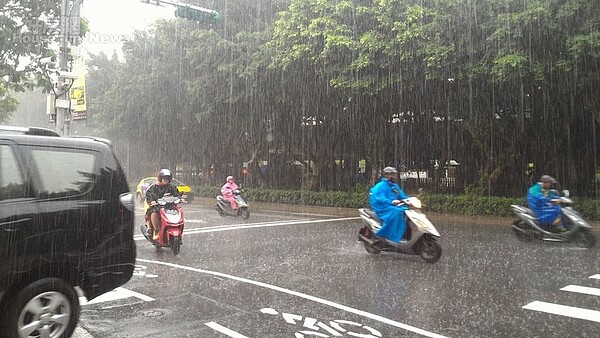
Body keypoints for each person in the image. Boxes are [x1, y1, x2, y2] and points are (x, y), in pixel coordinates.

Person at [369, 166, 410, 242]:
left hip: (394, 206)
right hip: (383, 207)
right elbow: (379, 198)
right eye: (392, 174)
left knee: (408, 211)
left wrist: (409, 199)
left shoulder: (394, 186)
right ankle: (388, 235)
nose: (394, 176)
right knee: (398, 212)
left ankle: (404, 233)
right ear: (387, 175)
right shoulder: (380, 186)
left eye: (394, 174)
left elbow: (402, 196)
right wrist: (390, 201)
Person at [146, 168, 180, 240]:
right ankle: (156, 230)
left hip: (170, 206)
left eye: (167, 178)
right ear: (160, 178)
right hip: (157, 206)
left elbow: (177, 194)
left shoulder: (172, 187)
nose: (165, 180)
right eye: (164, 178)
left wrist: (180, 198)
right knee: (154, 212)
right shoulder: (154, 187)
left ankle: (178, 228)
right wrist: (152, 201)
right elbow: (149, 195)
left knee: (179, 211)